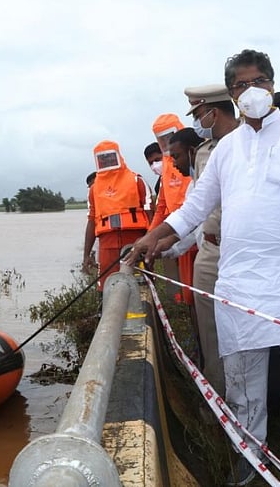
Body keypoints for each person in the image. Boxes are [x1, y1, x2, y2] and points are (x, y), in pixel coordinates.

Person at [127, 49, 280, 486]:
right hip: (240, 282)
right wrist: (153, 236)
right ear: (232, 93)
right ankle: (250, 452)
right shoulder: (226, 151)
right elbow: (193, 209)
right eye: (241, 84)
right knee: (243, 381)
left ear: (272, 83)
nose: (251, 90)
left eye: (259, 80)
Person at [178, 83, 241, 396]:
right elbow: (195, 206)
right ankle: (217, 395)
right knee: (210, 330)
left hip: (242, 251)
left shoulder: (246, 144)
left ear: (213, 113)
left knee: (247, 330)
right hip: (209, 249)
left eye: (199, 114)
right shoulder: (203, 152)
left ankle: (253, 401)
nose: (196, 122)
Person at [82, 140, 151, 289]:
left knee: (141, 287)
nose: (107, 161)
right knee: (107, 287)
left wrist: (151, 243)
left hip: (136, 243)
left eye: (110, 157)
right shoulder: (94, 189)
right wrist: (86, 255)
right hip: (107, 246)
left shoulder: (137, 180)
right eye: (103, 158)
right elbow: (91, 221)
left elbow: (151, 214)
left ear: (118, 156)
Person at [149, 113, 197, 306]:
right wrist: (150, 236)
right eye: (161, 139)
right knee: (187, 293)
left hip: (195, 234)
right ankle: (192, 329)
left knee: (199, 292)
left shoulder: (190, 161)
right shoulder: (168, 167)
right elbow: (161, 207)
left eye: (169, 136)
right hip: (176, 234)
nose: (166, 142)